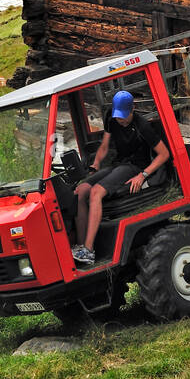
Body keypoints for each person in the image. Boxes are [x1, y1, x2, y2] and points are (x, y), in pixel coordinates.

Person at [72, 90, 170, 268]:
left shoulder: (142, 126)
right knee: (81, 190)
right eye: (119, 116)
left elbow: (164, 154)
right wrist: (95, 164)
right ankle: (80, 246)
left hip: (135, 167)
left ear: (133, 109)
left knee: (95, 193)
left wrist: (143, 175)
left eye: (124, 116)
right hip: (119, 164)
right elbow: (104, 145)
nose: (121, 120)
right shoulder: (111, 117)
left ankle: (88, 250)